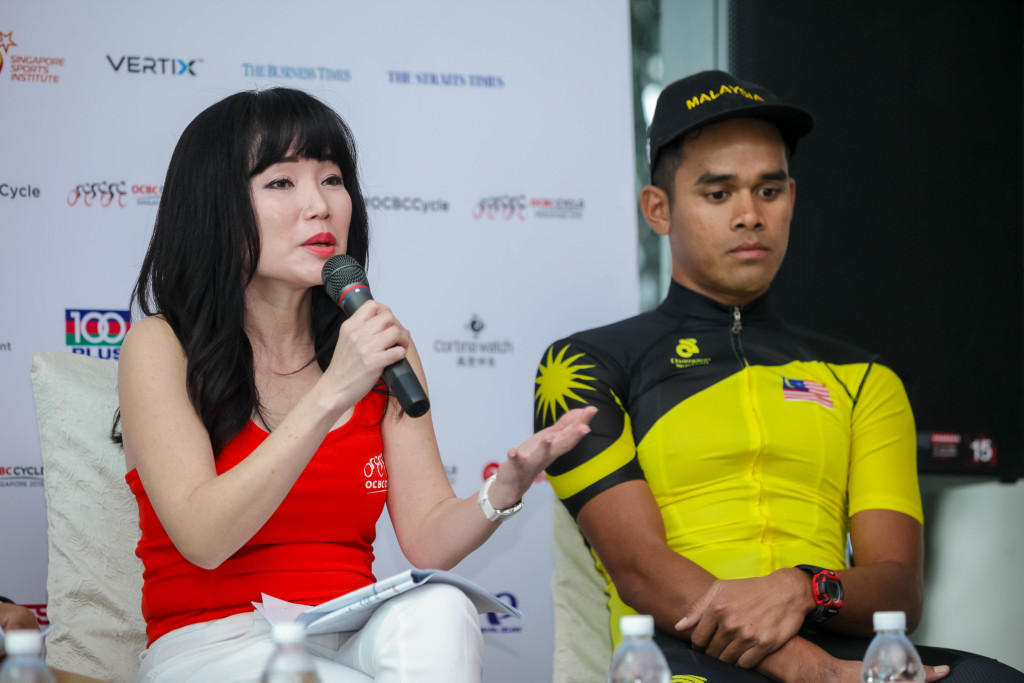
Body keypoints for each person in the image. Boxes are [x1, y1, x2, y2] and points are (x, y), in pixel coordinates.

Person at [534, 70, 1023, 682]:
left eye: (769, 191)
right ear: (658, 209)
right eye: (718, 194)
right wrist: (810, 670)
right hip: (679, 654)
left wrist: (804, 589)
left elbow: (899, 591)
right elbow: (640, 569)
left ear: (792, 196)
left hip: (838, 643)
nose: (749, 216)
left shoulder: (865, 379)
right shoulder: (580, 367)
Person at [114, 86, 595, 683]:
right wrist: (332, 391)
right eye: (282, 182)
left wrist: (502, 492)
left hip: (352, 630)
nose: (319, 206)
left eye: (332, 179)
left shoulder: (378, 340)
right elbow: (204, 537)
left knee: (442, 607)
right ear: (214, 204)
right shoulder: (161, 347)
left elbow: (425, 540)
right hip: (218, 644)